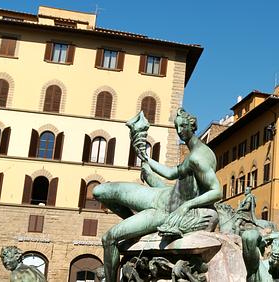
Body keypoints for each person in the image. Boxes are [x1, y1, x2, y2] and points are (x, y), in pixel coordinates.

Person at [94, 108, 222, 282]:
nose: (180, 131)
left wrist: (187, 205)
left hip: (165, 211)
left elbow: (217, 191)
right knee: (99, 191)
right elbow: (171, 173)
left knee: (108, 238)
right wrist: (146, 158)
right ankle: (134, 229)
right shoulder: (192, 153)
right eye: (177, 127)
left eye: (183, 126)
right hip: (161, 194)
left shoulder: (200, 157)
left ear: (193, 127)